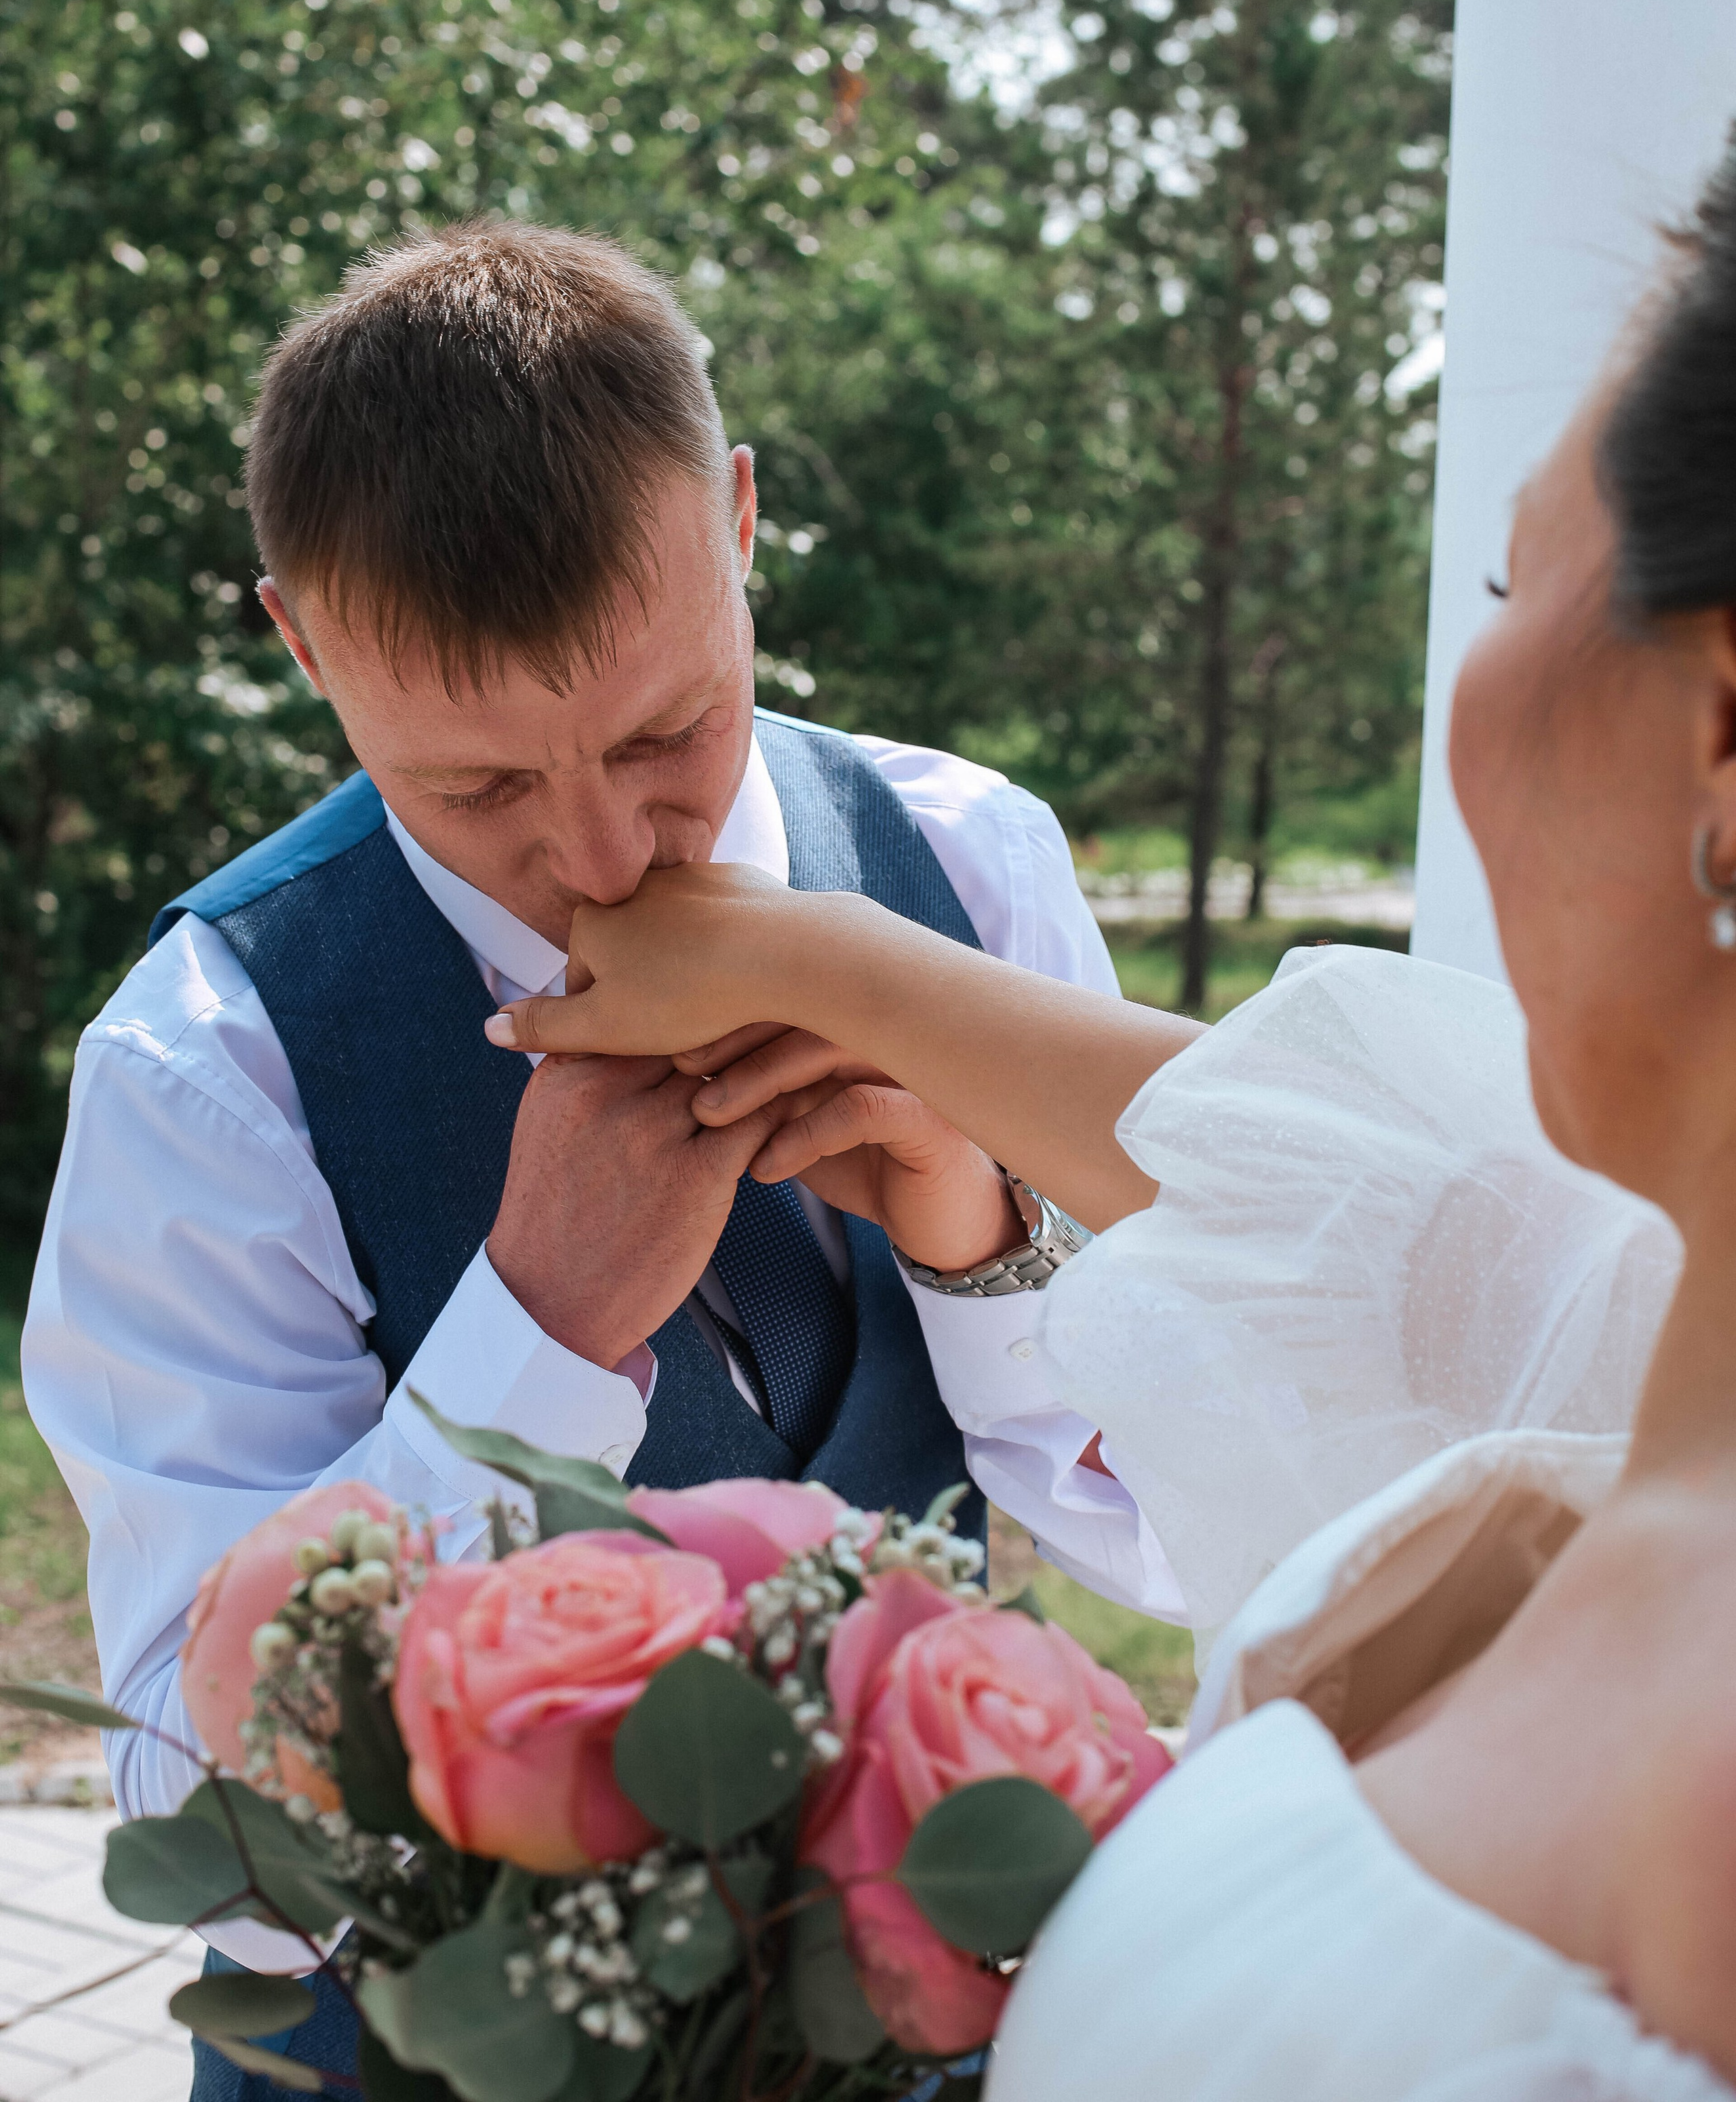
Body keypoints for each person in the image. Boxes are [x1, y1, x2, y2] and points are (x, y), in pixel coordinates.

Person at [496, 147, 1736, 2094]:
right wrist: (828, 962)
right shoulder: (1634, 1343)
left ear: (1722, 734)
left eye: (1508, 581)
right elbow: (1392, 1209)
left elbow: (1199, 1400)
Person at [21, 218, 1194, 2098]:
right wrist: (537, 1331)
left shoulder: (971, 874)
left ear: (739, 523)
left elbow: (1179, 1543)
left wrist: (983, 1247)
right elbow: (209, 1842)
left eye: (669, 732)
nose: (603, 858)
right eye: (476, 786)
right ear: (302, 645)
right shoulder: (207, 1074)